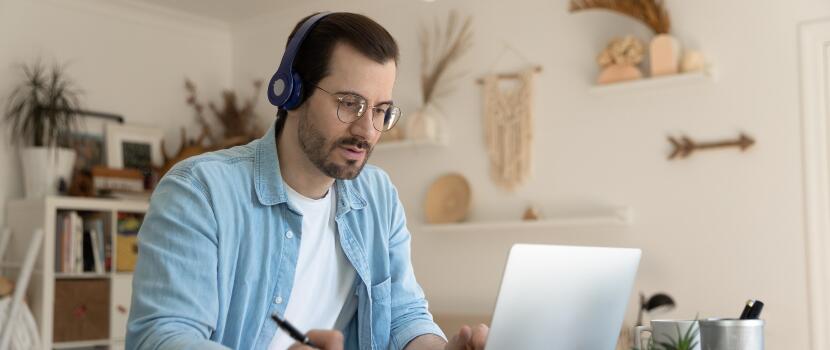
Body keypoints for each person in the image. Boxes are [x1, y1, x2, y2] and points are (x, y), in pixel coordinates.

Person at [125, 11, 489, 350]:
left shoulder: (378, 196)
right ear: (291, 93)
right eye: (350, 103)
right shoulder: (199, 191)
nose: (366, 131)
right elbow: (163, 335)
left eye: (380, 111)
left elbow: (404, 313)